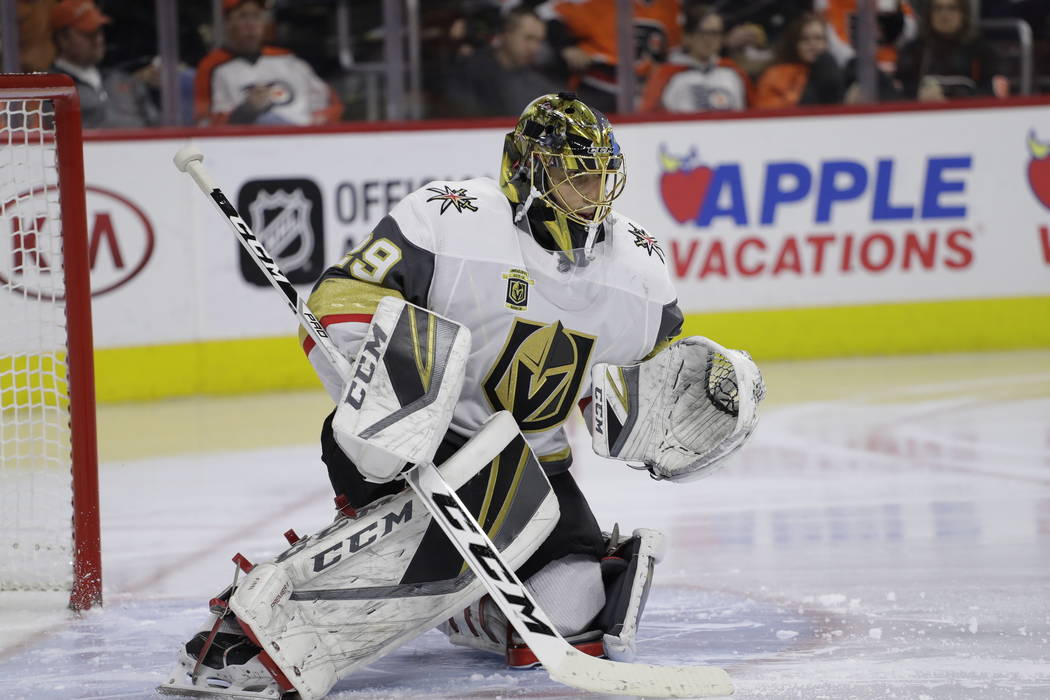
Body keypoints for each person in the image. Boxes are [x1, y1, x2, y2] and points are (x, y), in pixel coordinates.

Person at [162, 92, 764, 699]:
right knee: (420, 360)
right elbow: (339, 296)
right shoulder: (449, 216)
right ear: (527, 170)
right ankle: (251, 631)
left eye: (602, 177)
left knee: (577, 613)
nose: (593, 192)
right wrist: (387, 385)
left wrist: (674, 412)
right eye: (574, 175)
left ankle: (471, 607)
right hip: (414, 448)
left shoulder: (639, 270)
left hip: (533, 471)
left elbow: (622, 392)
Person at [193, 0, 342, 126]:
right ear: (227, 22)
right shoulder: (213, 66)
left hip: (300, 140)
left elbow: (330, 104)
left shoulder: (289, 61)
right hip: (248, 147)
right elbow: (205, 122)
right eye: (243, 16)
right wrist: (247, 111)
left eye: (256, 16)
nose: (251, 24)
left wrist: (312, 126)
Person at [537, 0, 681, 114]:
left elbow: (673, 52)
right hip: (599, 86)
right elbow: (548, 11)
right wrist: (566, 46)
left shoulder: (670, 6)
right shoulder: (598, 4)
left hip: (649, 91)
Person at [48, 0, 159, 129]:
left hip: (146, 148)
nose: (98, 39)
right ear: (63, 38)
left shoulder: (124, 80)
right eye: (88, 34)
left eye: (99, 31)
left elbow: (158, 126)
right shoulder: (50, 89)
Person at [445, 6, 563, 117]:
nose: (534, 48)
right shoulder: (469, 71)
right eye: (528, 38)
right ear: (507, 34)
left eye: (539, 41)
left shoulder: (539, 81)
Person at [640, 6, 752, 113]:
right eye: (703, 33)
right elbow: (650, 117)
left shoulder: (734, 72)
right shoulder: (666, 76)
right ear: (687, 36)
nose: (709, 40)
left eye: (715, 33)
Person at [895, 0, 1003, 101]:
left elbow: (990, 92)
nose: (944, 14)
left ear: (963, 13)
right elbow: (901, 89)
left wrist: (957, 97)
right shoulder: (915, 49)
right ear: (929, 14)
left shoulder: (981, 49)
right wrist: (919, 95)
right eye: (938, 8)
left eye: (952, 8)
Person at [754, 12, 845, 109]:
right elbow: (768, 110)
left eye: (818, 38)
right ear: (794, 44)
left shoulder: (832, 69)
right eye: (805, 39)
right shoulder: (775, 75)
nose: (812, 44)